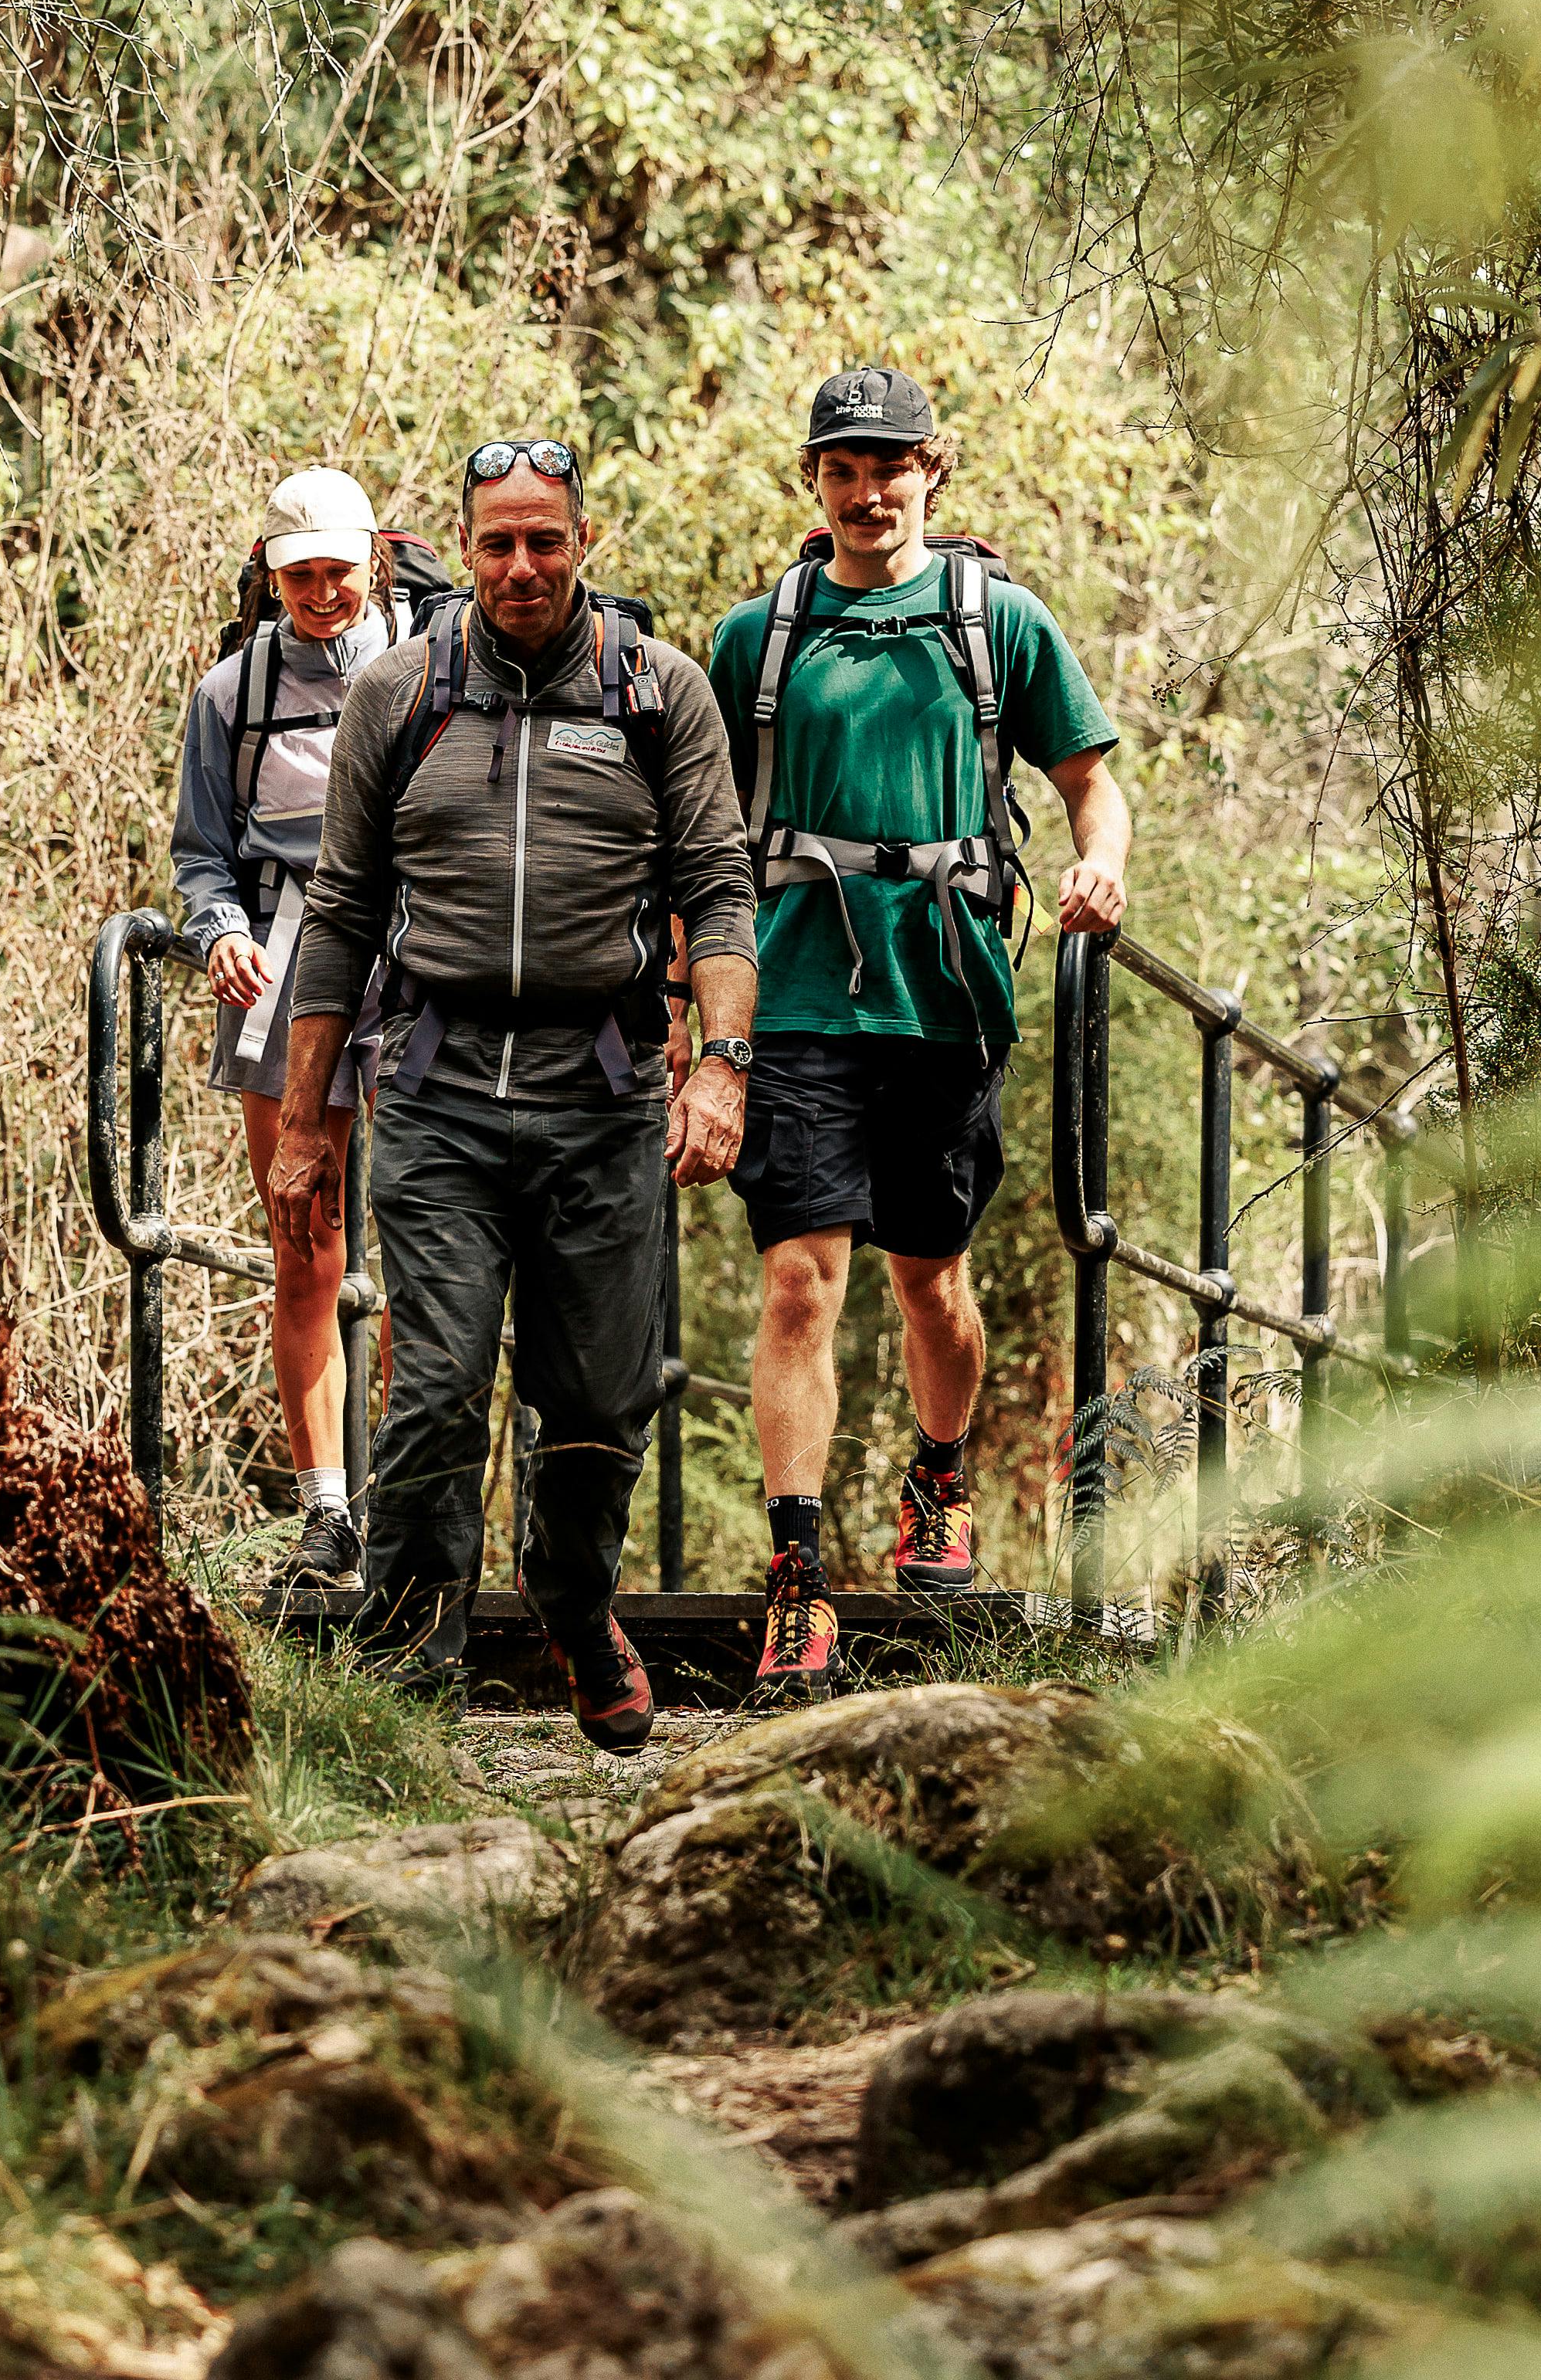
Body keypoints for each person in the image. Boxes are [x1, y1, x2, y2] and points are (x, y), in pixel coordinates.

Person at [269, 436, 759, 1754]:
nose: (523, 566)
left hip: (601, 1095)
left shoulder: (661, 695)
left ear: (585, 544)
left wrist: (721, 1066)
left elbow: (718, 889)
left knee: (601, 1397)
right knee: (434, 1387)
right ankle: (401, 1680)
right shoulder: (397, 695)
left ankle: (574, 1599)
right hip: (436, 1094)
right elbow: (341, 911)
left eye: (547, 540)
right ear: (463, 548)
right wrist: (306, 1119)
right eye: (498, 543)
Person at [706, 367, 1129, 1696]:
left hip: (945, 997)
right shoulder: (754, 641)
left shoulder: (997, 622)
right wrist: (694, 1019)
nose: (870, 489)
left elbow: (1090, 786)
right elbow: (704, 846)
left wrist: (1096, 869)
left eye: (891, 466)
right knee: (798, 1281)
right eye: (844, 467)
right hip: (797, 999)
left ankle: (936, 1480)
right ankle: (797, 1579)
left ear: (931, 473)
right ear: (815, 481)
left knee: (930, 1281)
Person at [169, 469, 394, 1595]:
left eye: (338, 574)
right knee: (304, 1242)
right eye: (300, 575)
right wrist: (216, 928)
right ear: (270, 575)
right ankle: (328, 1515)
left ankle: (415, 1503)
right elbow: (201, 848)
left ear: (372, 565)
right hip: (286, 966)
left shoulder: (432, 669)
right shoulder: (230, 694)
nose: (321, 593)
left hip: (413, 969)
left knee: (431, 1247)